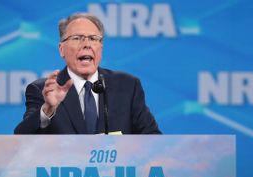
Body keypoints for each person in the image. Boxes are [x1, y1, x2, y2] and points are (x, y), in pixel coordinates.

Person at [14, 13, 161, 134]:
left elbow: (152, 137)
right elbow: (22, 139)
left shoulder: (127, 86)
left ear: (101, 48)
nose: (86, 44)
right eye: (77, 38)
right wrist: (47, 109)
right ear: (61, 49)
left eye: (93, 39)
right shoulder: (42, 90)